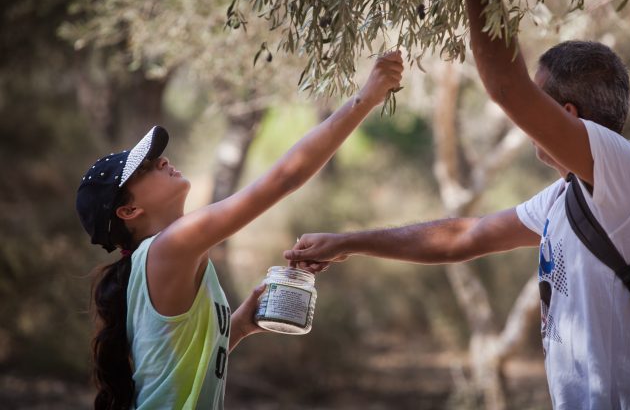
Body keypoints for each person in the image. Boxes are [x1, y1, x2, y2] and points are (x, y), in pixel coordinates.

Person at [285, 0, 630, 409]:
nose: (527, 119)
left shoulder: (626, 173)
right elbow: (464, 237)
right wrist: (347, 244)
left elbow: (505, 86)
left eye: (539, 100)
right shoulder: (567, 197)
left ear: (566, 115)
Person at [76, 51, 403, 409]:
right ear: (129, 210)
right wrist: (365, 98)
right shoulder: (171, 245)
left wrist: (238, 327)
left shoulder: (162, 257)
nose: (163, 161)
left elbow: (176, 365)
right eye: (147, 168)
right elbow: (284, 178)